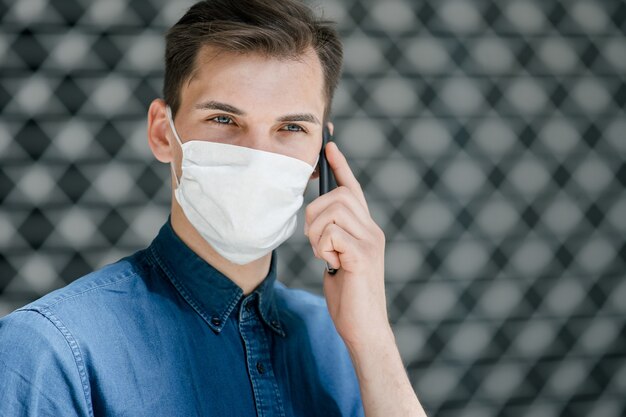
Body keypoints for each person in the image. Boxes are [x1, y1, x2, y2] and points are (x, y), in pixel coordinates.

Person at [0, 0, 427, 416]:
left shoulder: (341, 339)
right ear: (162, 133)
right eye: (224, 119)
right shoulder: (51, 350)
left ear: (322, 154)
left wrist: (373, 340)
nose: (257, 155)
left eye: (292, 127)